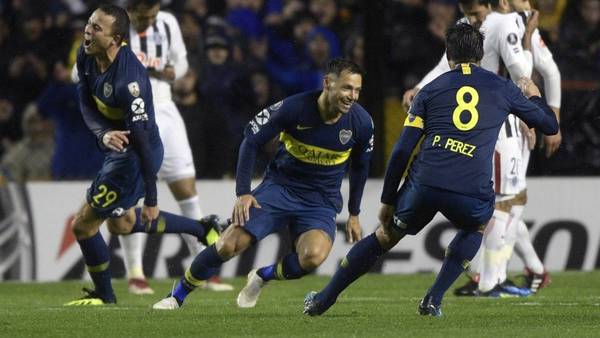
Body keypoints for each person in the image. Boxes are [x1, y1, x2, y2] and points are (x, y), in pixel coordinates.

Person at [303, 23, 559, 317]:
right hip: (470, 188)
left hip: (425, 183)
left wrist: (387, 201)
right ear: (481, 55)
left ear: (449, 56)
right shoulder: (503, 88)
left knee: (385, 237)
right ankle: (433, 300)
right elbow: (549, 125)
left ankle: (323, 300)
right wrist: (535, 94)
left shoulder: (429, 91)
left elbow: (401, 150)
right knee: (476, 225)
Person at [152, 58, 374, 310]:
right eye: (346, 88)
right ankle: (177, 296)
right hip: (279, 189)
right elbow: (251, 141)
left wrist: (354, 213)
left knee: (312, 258)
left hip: (320, 201)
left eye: (357, 90)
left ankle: (262, 276)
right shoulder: (294, 108)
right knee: (228, 245)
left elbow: (360, 167)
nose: (352, 96)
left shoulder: (362, 124)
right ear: (327, 84)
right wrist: (243, 192)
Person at [64, 4, 219, 306]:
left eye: (97, 28)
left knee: (83, 225)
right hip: (116, 148)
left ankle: (105, 297)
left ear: (115, 39)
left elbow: (144, 143)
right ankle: (203, 228)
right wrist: (103, 134)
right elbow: (83, 99)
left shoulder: (129, 83)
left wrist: (152, 198)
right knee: (121, 223)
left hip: (135, 156)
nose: (88, 30)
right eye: (89, 23)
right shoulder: (87, 54)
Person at [118, 0, 232, 294]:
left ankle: (202, 269)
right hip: (130, 111)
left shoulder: (167, 21)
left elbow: (181, 61)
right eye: (144, 16)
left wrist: (173, 72)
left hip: (166, 108)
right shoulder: (113, 24)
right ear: (130, 10)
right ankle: (135, 274)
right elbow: (82, 69)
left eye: (154, 14)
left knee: (186, 188)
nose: (150, 21)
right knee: (132, 192)